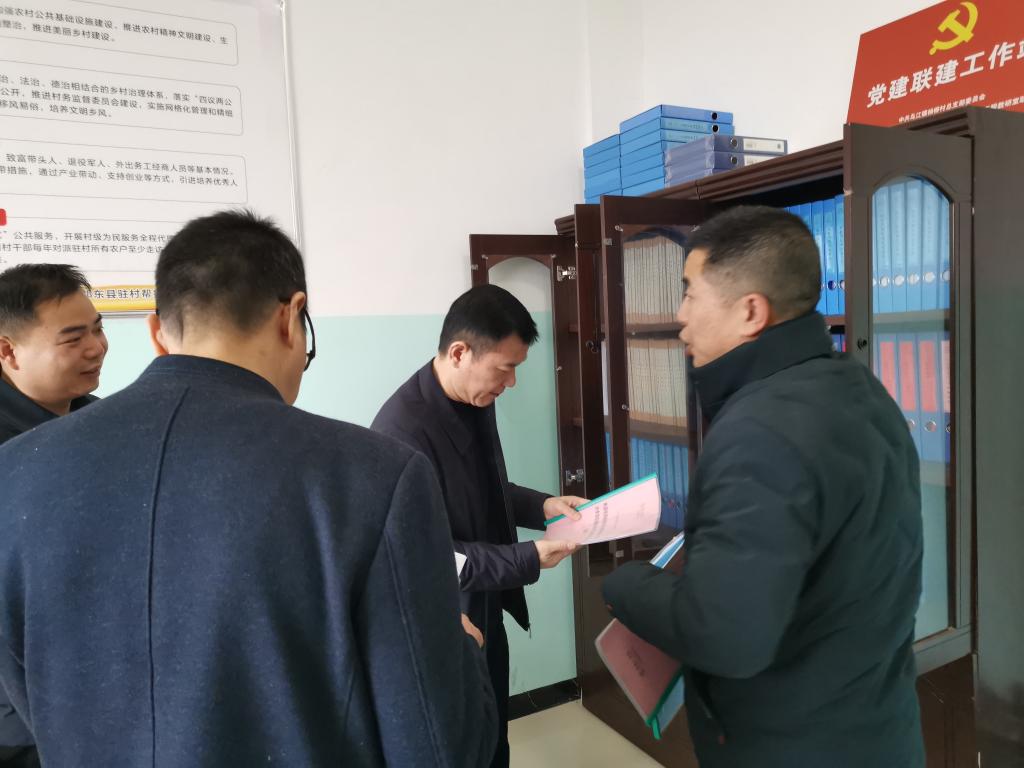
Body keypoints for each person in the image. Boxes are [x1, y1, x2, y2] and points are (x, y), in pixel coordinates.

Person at [0, 211, 497, 767]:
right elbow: (437, 747)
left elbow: (28, 698)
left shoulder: (15, 471)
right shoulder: (376, 474)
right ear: (291, 317)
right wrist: (465, 649)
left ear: (157, 331)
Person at [602, 206, 925, 768]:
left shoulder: (759, 433)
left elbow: (724, 637)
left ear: (751, 311)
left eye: (690, 294)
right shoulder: (858, 388)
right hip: (874, 727)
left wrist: (625, 583)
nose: (680, 317)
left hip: (793, 746)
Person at [371, 284, 586, 767]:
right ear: (459, 353)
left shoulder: (474, 399)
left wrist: (544, 506)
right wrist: (528, 558)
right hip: (448, 618)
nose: (511, 383)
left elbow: (487, 488)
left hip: (486, 603)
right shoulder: (400, 433)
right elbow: (430, 556)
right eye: (505, 368)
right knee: (463, 746)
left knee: (494, 737)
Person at [0, 263, 107, 768]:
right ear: (7, 351)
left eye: (97, 329)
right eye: (72, 338)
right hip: (19, 721)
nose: (96, 348)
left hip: (90, 690)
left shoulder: (101, 420)